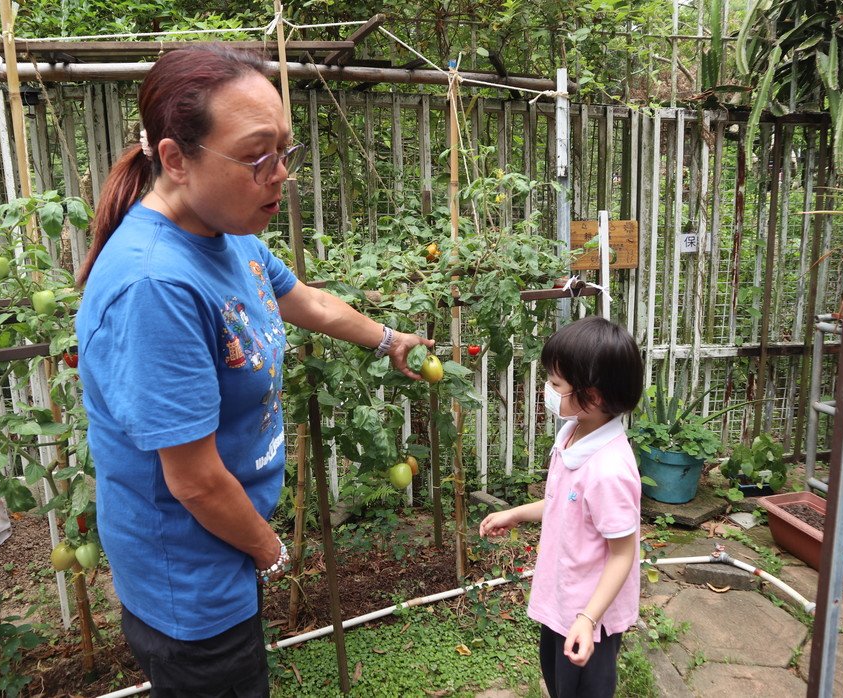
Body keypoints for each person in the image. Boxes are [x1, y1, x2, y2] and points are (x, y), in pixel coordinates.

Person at [74, 44, 432, 696]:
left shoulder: (229, 235)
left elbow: (308, 302)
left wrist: (389, 340)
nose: (280, 175)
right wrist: (270, 551)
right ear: (175, 160)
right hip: (191, 582)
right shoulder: (155, 285)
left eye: (285, 152)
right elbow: (195, 481)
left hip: (222, 554)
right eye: (257, 157)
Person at [479, 316, 643, 698]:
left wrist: (588, 619)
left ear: (593, 397)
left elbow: (623, 554)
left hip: (590, 616)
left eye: (556, 385)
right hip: (561, 600)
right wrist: (517, 513)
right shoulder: (572, 436)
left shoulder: (609, 470)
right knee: (557, 683)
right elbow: (562, 503)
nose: (548, 391)